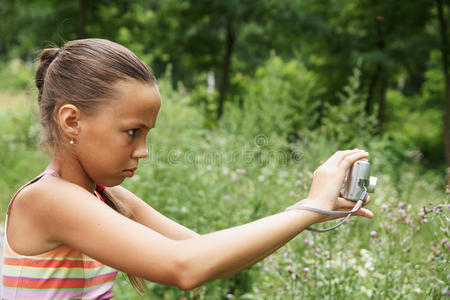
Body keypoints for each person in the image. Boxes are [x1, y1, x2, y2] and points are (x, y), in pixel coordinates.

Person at [1, 38, 373, 299]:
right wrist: (309, 207)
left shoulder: (107, 197)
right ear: (71, 121)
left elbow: (206, 254)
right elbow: (185, 267)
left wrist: (309, 211)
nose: (143, 151)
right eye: (132, 132)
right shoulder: (48, 200)